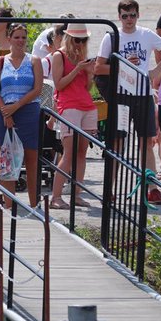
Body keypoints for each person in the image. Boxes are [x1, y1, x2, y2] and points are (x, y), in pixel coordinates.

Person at [95, 0, 161, 205]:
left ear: (138, 15)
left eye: (132, 15)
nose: (129, 19)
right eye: (125, 15)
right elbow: (99, 68)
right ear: (119, 17)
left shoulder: (145, 34)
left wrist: (156, 70)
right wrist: (123, 65)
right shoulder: (111, 37)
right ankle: (109, 188)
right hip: (120, 95)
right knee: (117, 142)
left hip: (143, 94)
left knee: (146, 142)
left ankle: (152, 188)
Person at [0, 23, 43, 208]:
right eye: (17, 37)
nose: (20, 41)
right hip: (4, 110)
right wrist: (6, 110)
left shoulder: (34, 60)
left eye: (23, 37)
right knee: (6, 160)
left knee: (31, 158)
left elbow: (37, 89)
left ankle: (34, 204)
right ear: (10, 38)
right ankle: (9, 204)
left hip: (27, 110)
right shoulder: (1, 61)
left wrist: (17, 106)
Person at [50, 23, 97, 208]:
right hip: (69, 106)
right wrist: (77, 69)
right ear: (69, 38)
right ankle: (56, 197)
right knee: (68, 153)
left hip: (86, 105)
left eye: (83, 40)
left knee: (81, 153)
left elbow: (87, 88)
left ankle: (76, 194)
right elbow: (59, 84)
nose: (80, 43)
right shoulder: (58, 55)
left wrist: (90, 73)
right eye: (77, 39)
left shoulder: (82, 57)